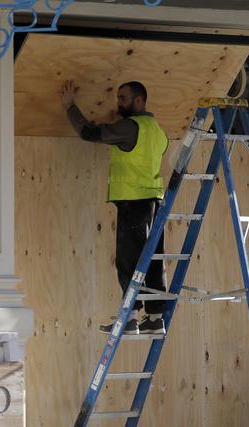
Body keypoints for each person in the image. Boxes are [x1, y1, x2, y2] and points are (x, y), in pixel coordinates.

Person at [60, 80, 168, 335]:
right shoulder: (156, 130)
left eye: (123, 98)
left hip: (133, 204)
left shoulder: (130, 127)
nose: (118, 102)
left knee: (127, 261)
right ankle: (154, 318)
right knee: (152, 262)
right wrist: (117, 125)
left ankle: (130, 319)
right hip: (154, 201)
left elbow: (89, 133)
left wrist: (70, 107)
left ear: (139, 100)